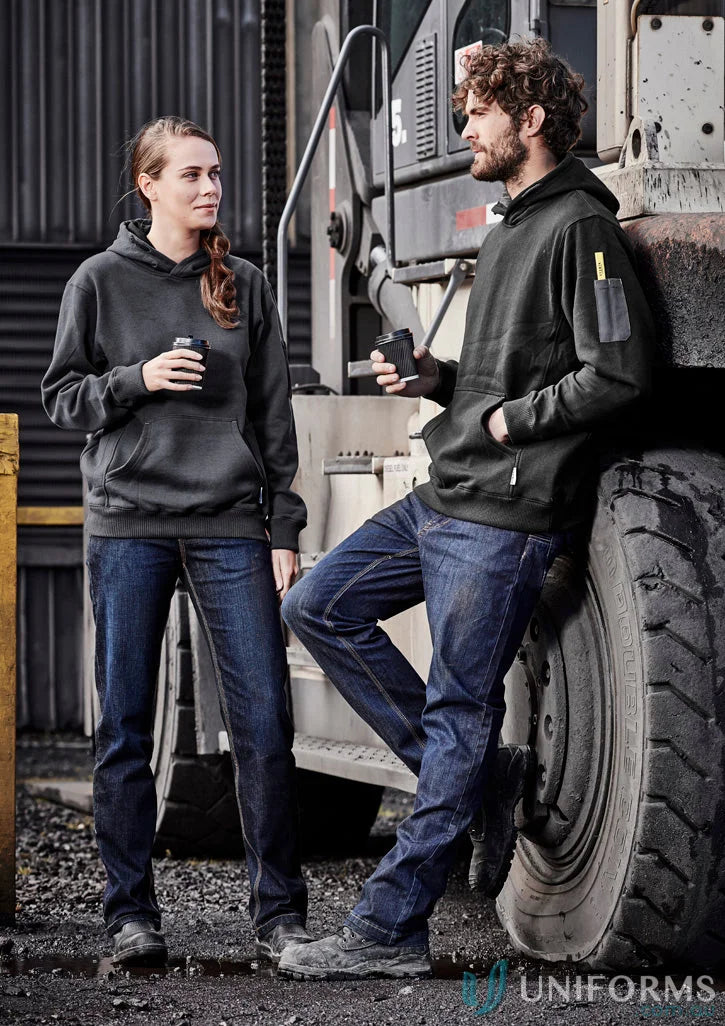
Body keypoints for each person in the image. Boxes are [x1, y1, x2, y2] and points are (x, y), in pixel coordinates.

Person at [279, 38, 653, 979]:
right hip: (448, 493)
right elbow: (507, 372)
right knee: (317, 606)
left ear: (531, 120)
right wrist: (436, 378)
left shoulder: (580, 229)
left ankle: (388, 930)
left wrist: (509, 419)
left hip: (502, 518)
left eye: (478, 114)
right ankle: (486, 778)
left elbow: (618, 373)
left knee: (456, 711)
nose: (465, 132)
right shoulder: (510, 226)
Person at [41, 116, 313, 967]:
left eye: (216, 173)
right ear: (148, 184)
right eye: (191, 174)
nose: (210, 187)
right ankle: (130, 917)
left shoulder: (246, 284)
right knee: (124, 724)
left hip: (230, 524)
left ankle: (280, 918)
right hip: (130, 523)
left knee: (264, 723)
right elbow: (62, 396)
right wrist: (138, 379)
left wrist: (282, 525)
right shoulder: (98, 280)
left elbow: (274, 417)